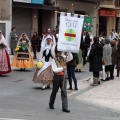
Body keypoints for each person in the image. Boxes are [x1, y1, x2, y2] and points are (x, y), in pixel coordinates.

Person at [49, 48, 73, 113]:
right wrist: (62, 68)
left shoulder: (64, 57)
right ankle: (51, 103)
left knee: (64, 92)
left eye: (61, 52)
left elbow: (70, 58)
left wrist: (69, 51)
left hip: (63, 77)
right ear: (56, 52)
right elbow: (54, 69)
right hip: (56, 77)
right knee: (54, 91)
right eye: (59, 52)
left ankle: (65, 107)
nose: (60, 53)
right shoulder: (53, 60)